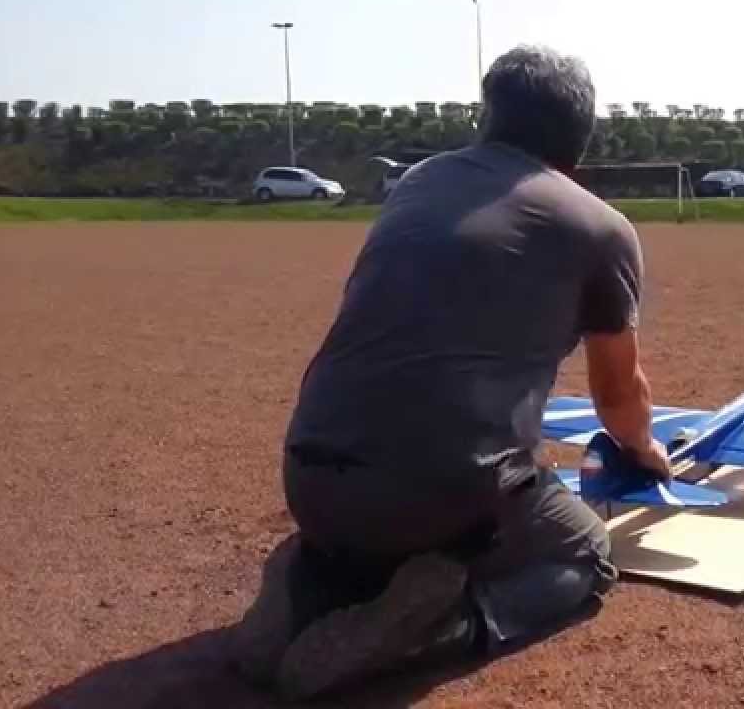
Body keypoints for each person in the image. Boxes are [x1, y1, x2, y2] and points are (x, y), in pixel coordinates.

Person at [228, 44, 672, 700]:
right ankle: (441, 628)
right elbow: (618, 395)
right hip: (434, 496)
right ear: (579, 142)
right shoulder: (601, 228)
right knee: (584, 553)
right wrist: (644, 449)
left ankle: (308, 578)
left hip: (310, 480)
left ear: (487, 119)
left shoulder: (420, 182)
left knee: (387, 521)